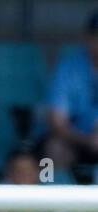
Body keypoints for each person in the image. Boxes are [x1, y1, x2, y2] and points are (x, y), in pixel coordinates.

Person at [42, 10, 98, 178]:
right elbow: (57, 122)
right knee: (52, 151)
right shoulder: (69, 68)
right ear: (88, 38)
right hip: (77, 141)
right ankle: (49, 198)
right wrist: (88, 140)